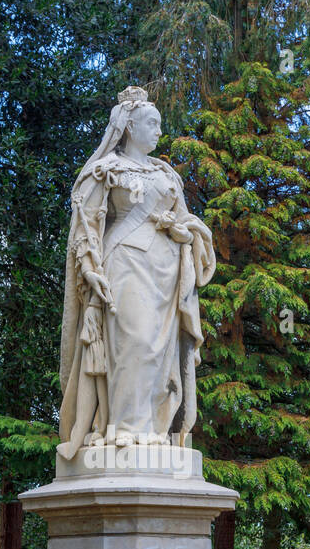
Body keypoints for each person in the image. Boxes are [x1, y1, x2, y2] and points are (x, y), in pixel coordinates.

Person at [57, 85, 216, 460]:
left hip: (165, 272)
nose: (159, 131)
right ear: (129, 126)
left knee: (159, 354)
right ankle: (122, 429)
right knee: (134, 343)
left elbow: (182, 218)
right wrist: (88, 268)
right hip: (123, 264)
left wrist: (186, 229)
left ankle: (150, 431)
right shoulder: (105, 171)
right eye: (152, 123)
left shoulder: (166, 174)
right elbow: (86, 227)